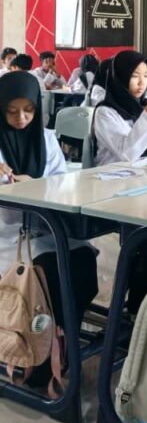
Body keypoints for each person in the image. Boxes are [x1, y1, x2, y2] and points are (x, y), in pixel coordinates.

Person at [0, 72, 98, 363]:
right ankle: (37, 348)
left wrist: (33, 185)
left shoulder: (45, 139)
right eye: (12, 111)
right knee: (48, 271)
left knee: (82, 258)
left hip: (44, 230)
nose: (21, 118)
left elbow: (60, 183)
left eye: (28, 110)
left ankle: (62, 335)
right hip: (8, 236)